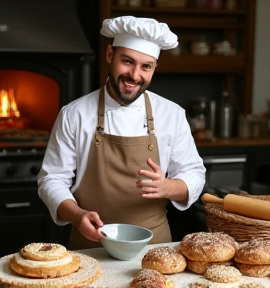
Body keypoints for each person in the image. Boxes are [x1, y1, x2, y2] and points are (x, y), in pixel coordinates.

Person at [37, 16, 206, 250]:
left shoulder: (171, 114)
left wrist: (169, 187)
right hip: (91, 245)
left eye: (146, 66)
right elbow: (52, 179)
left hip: (153, 248)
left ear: (155, 67)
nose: (135, 75)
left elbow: (194, 173)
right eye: (127, 61)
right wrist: (76, 215)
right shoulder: (74, 114)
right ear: (110, 55)